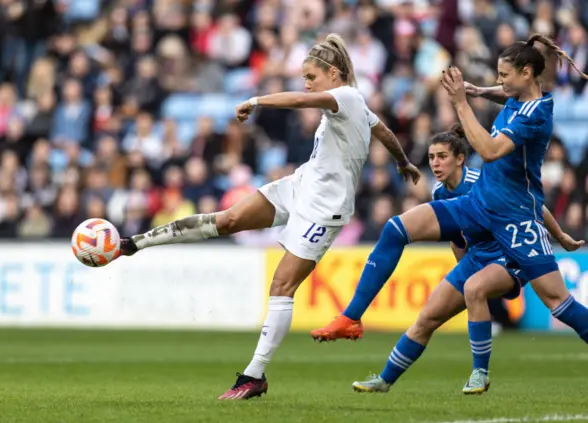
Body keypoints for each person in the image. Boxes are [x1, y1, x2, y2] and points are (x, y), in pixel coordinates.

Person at [113, 33, 421, 400]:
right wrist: (403, 162)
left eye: (311, 76)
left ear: (333, 74)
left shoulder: (347, 97)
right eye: (304, 77)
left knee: (281, 286)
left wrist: (256, 100)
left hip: (326, 208)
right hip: (301, 185)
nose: (306, 83)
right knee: (226, 220)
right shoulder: (356, 104)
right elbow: (383, 130)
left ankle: (253, 376)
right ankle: (134, 243)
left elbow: (297, 101)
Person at [312, 33, 588, 394]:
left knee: (557, 302)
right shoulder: (519, 96)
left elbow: (488, 150)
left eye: (504, 74)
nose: (500, 80)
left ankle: (479, 372)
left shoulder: (536, 115)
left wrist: (461, 102)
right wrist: (479, 91)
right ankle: (353, 321)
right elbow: (503, 93)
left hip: (515, 219)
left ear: (526, 72)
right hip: (479, 207)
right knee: (398, 230)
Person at [344, 125, 580, 395]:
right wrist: (463, 268)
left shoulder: (483, 181)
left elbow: (533, 204)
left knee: (475, 288)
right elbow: (458, 238)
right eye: (431, 157)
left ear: (460, 159)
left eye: (442, 156)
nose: (435, 163)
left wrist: (559, 235)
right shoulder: (439, 193)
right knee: (427, 318)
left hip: (510, 251)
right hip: (478, 257)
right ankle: (385, 380)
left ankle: (480, 373)